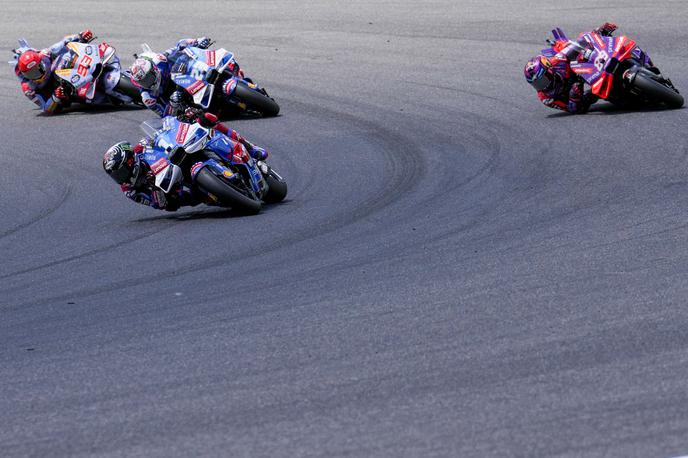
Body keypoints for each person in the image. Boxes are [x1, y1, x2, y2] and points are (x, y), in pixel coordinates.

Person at [102, 109, 268, 211]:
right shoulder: (129, 190)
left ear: (131, 161)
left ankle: (251, 148)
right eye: (116, 176)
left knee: (207, 121)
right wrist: (156, 190)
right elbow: (160, 205)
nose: (121, 179)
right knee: (196, 198)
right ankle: (225, 192)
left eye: (121, 172)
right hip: (180, 191)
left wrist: (183, 118)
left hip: (180, 157)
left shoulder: (139, 150)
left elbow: (160, 134)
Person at [129, 37, 243, 117]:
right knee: (207, 115)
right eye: (143, 82)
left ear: (154, 70)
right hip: (184, 98)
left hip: (186, 74)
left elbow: (178, 46)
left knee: (226, 63)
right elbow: (165, 116)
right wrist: (173, 105)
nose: (147, 83)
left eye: (147, 78)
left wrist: (197, 41)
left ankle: (229, 71)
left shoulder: (159, 60)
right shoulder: (148, 98)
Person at [523, 22, 619, 114]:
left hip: (578, 69)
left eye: (542, 80)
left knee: (582, 45)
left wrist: (597, 32)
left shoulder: (556, 61)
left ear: (549, 70)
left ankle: (605, 39)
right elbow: (571, 109)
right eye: (537, 84)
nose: (542, 86)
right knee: (596, 96)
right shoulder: (546, 98)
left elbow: (575, 45)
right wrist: (574, 98)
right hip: (575, 92)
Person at [14, 30, 94, 114]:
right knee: (65, 100)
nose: (35, 76)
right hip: (57, 91)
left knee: (66, 52)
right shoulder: (28, 89)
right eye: (30, 74)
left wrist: (80, 36)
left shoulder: (44, 54)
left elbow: (63, 42)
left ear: (40, 63)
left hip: (65, 72)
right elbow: (45, 108)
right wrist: (55, 97)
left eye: (36, 71)